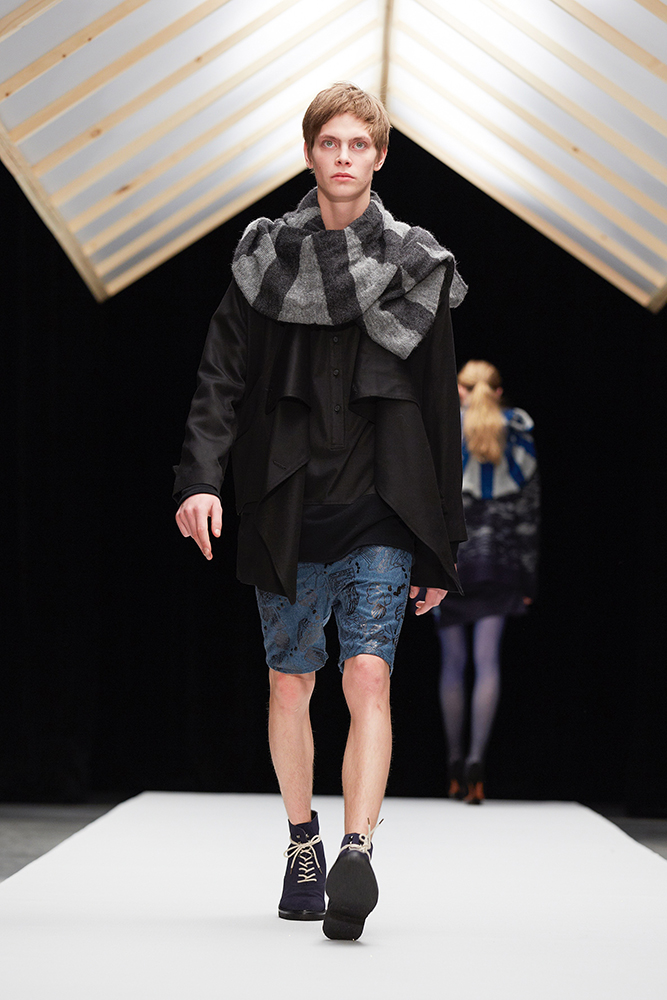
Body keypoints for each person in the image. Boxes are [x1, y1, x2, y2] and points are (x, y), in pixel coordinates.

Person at [173, 82, 467, 940]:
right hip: (286, 498)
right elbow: (220, 376)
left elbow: (439, 411)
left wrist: (442, 543)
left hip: (383, 499)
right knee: (290, 678)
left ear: (379, 157)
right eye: (329, 143)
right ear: (310, 153)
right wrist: (199, 478)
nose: (343, 157)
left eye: (358, 144)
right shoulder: (264, 259)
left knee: (367, 672)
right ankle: (302, 844)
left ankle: (356, 850)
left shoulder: (416, 264)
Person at [433, 360, 539, 805]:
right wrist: (528, 576)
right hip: (501, 559)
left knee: (453, 664)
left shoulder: (443, 428)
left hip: (454, 559)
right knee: (487, 661)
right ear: (497, 392)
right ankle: (477, 762)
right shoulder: (519, 432)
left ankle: (455, 765)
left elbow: (432, 502)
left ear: (459, 389)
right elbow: (528, 513)